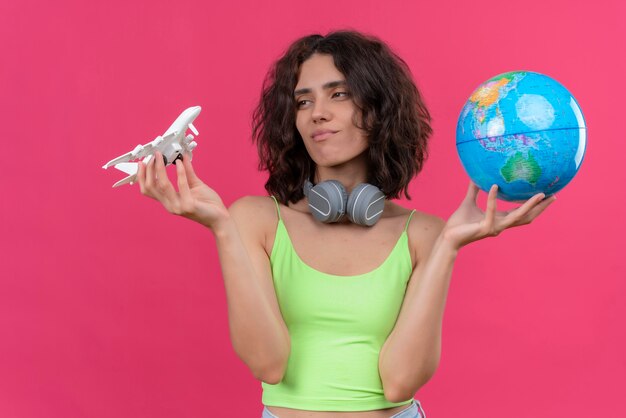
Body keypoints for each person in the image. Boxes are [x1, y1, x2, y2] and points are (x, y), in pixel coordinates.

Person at [135, 31, 555, 418]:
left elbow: (399, 383)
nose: (318, 114)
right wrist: (222, 230)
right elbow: (269, 364)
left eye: (339, 95)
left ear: (377, 109)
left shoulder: (425, 234)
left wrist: (448, 246)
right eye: (303, 101)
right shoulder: (253, 219)